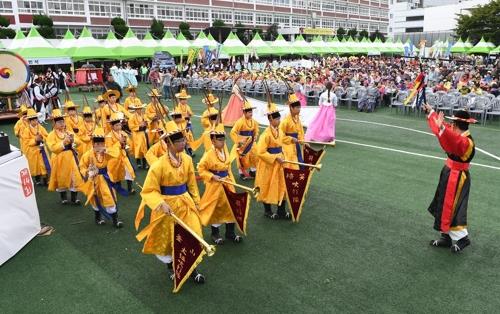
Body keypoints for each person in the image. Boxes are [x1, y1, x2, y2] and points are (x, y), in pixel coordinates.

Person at [136, 120, 205, 284]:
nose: (183, 143)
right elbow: (148, 190)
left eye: (183, 140)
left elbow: (192, 184)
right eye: (179, 141)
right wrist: (160, 203)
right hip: (167, 207)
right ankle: (172, 268)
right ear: (168, 143)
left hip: (185, 204)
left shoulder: (187, 159)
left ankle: (193, 269)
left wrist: (196, 201)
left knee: (193, 235)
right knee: (171, 239)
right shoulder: (158, 165)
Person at [423, 104, 476, 253]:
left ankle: (463, 238)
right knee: (443, 203)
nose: (450, 125)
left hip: (458, 177)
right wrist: (431, 112)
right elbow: (442, 129)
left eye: (452, 123)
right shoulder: (455, 133)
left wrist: (443, 129)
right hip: (449, 172)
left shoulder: (466, 141)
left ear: (456, 124)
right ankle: (445, 237)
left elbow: (450, 138)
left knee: (453, 207)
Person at [198, 124, 242, 244]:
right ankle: (215, 234)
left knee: (230, 206)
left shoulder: (225, 151)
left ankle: (230, 233)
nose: (222, 142)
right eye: (219, 139)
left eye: (223, 139)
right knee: (216, 208)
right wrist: (212, 176)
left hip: (227, 183)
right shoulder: (208, 154)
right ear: (212, 140)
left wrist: (231, 181)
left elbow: (227, 168)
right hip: (215, 186)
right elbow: (201, 169)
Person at [79, 127, 124, 227]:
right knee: (95, 198)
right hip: (93, 180)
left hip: (105, 179)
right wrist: (88, 172)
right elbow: (82, 166)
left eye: (101, 144)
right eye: (97, 144)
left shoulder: (106, 153)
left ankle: (115, 219)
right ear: (93, 144)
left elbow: (116, 153)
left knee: (109, 197)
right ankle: (98, 217)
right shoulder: (88, 155)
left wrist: (106, 149)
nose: (99, 146)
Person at [254, 102, 290, 220]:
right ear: (270, 120)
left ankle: (281, 210)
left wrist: (283, 156)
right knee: (266, 185)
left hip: (279, 163)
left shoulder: (279, 131)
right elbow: (260, 152)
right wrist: (275, 158)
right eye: (277, 119)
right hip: (268, 164)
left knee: (281, 185)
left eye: (279, 118)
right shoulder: (265, 135)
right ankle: (267, 211)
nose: (279, 121)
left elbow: (281, 145)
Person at [46, 109, 83, 205]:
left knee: (74, 177)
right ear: (54, 124)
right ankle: (64, 198)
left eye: (62, 121)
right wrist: (63, 142)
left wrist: (73, 140)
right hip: (59, 159)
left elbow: (79, 142)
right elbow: (53, 148)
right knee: (61, 178)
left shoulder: (69, 132)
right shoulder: (51, 135)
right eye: (59, 122)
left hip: (70, 158)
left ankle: (74, 198)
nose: (62, 124)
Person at [105, 112, 136, 194]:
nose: (119, 127)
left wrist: (127, 145)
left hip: (123, 156)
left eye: (119, 125)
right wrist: (119, 143)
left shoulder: (123, 133)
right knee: (116, 174)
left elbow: (129, 143)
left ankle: (130, 188)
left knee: (129, 171)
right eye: (116, 125)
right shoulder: (109, 136)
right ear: (112, 126)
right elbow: (109, 149)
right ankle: (118, 188)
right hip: (114, 158)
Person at [229, 100, 259, 180]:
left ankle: (253, 171)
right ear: (244, 113)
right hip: (243, 144)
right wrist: (239, 140)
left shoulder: (254, 122)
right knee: (243, 158)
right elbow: (233, 132)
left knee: (254, 156)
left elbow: (256, 130)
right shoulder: (240, 122)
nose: (251, 114)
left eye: (251, 112)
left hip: (252, 143)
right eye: (249, 112)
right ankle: (242, 173)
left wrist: (255, 136)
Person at [21, 108, 50, 186]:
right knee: (35, 166)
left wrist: (42, 138)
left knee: (44, 165)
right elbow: (26, 141)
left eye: (36, 120)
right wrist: (35, 140)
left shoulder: (40, 127)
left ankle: (46, 180)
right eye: (33, 120)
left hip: (42, 149)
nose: (35, 122)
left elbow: (47, 135)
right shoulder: (26, 130)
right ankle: (37, 180)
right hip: (33, 151)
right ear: (29, 121)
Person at [280, 94, 306, 170]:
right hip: (287, 146)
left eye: (299, 107)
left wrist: (303, 142)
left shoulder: (297, 118)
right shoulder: (286, 121)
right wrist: (290, 139)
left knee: (299, 161)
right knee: (291, 164)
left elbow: (300, 131)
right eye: (297, 107)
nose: (299, 109)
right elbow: (280, 135)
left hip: (296, 144)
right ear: (291, 108)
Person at [127, 103, 150, 169]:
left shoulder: (143, 115)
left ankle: (145, 163)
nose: (139, 110)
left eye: (140, 109)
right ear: (135, 110)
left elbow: (147, 123)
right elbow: (131, 126)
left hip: (143, 133)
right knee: (138, 148)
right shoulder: (132, 117)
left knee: (145, 148)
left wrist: (146, 124)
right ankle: (138, 161)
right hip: (137, 135)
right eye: (137, 109)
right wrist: (139, 126)